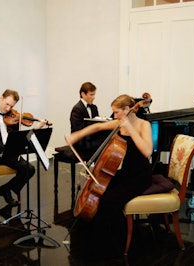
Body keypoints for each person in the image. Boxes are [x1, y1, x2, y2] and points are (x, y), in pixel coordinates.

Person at [65, 94, 153, 260]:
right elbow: (96, 127)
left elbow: (147, 151)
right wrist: (76, 136)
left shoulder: (143, 125)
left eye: (117, 112)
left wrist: (130, 128)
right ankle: (88, 242)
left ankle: (111, 248)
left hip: (140, 176)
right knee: (99, 195)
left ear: (127, 110)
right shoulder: (119, 123)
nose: (114, 116)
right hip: (126, 172)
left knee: (107, 201)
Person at [70, 82, 106, 161]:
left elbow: (96, 123)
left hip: (90, 139)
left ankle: (95, 171)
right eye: (91, 95)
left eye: (94, 94)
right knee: (100, 147)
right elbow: (77, 129)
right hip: (80, 141)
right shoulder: (77, 109)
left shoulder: (94, 107)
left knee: (104, 143)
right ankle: (94, 171)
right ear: (83, 94)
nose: (94, 97)